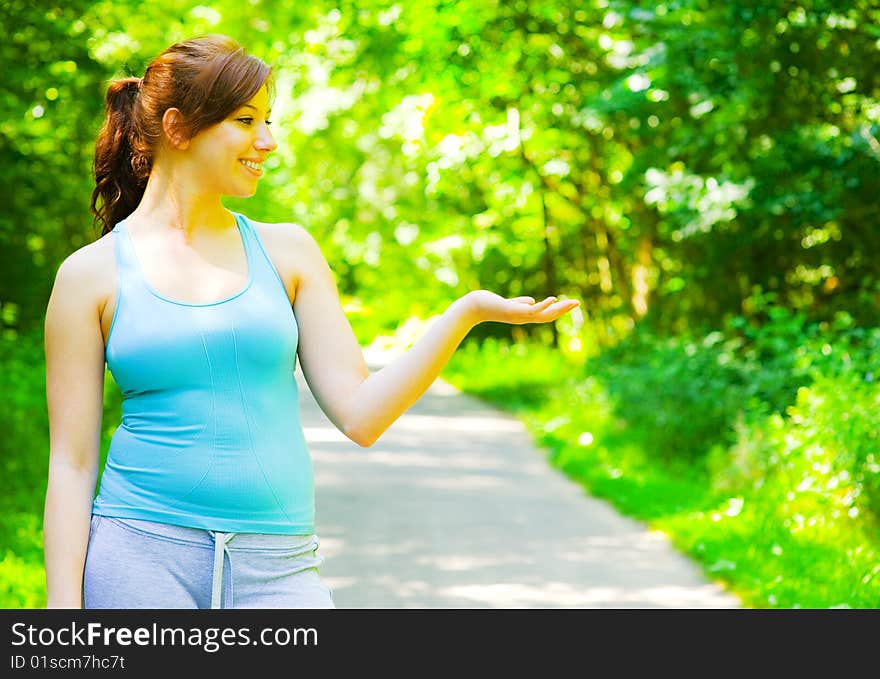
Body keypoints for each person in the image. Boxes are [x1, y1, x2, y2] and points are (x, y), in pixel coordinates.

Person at [42, 34, 581, 610]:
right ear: (177, 128)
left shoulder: (289, 254)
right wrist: (64, 617)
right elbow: (72, 465)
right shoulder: (90, 276)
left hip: (277, 570)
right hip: (140, 557)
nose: (267, 141)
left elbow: (362, 416)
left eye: (268, 120)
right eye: (246, 121)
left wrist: (465, 312)